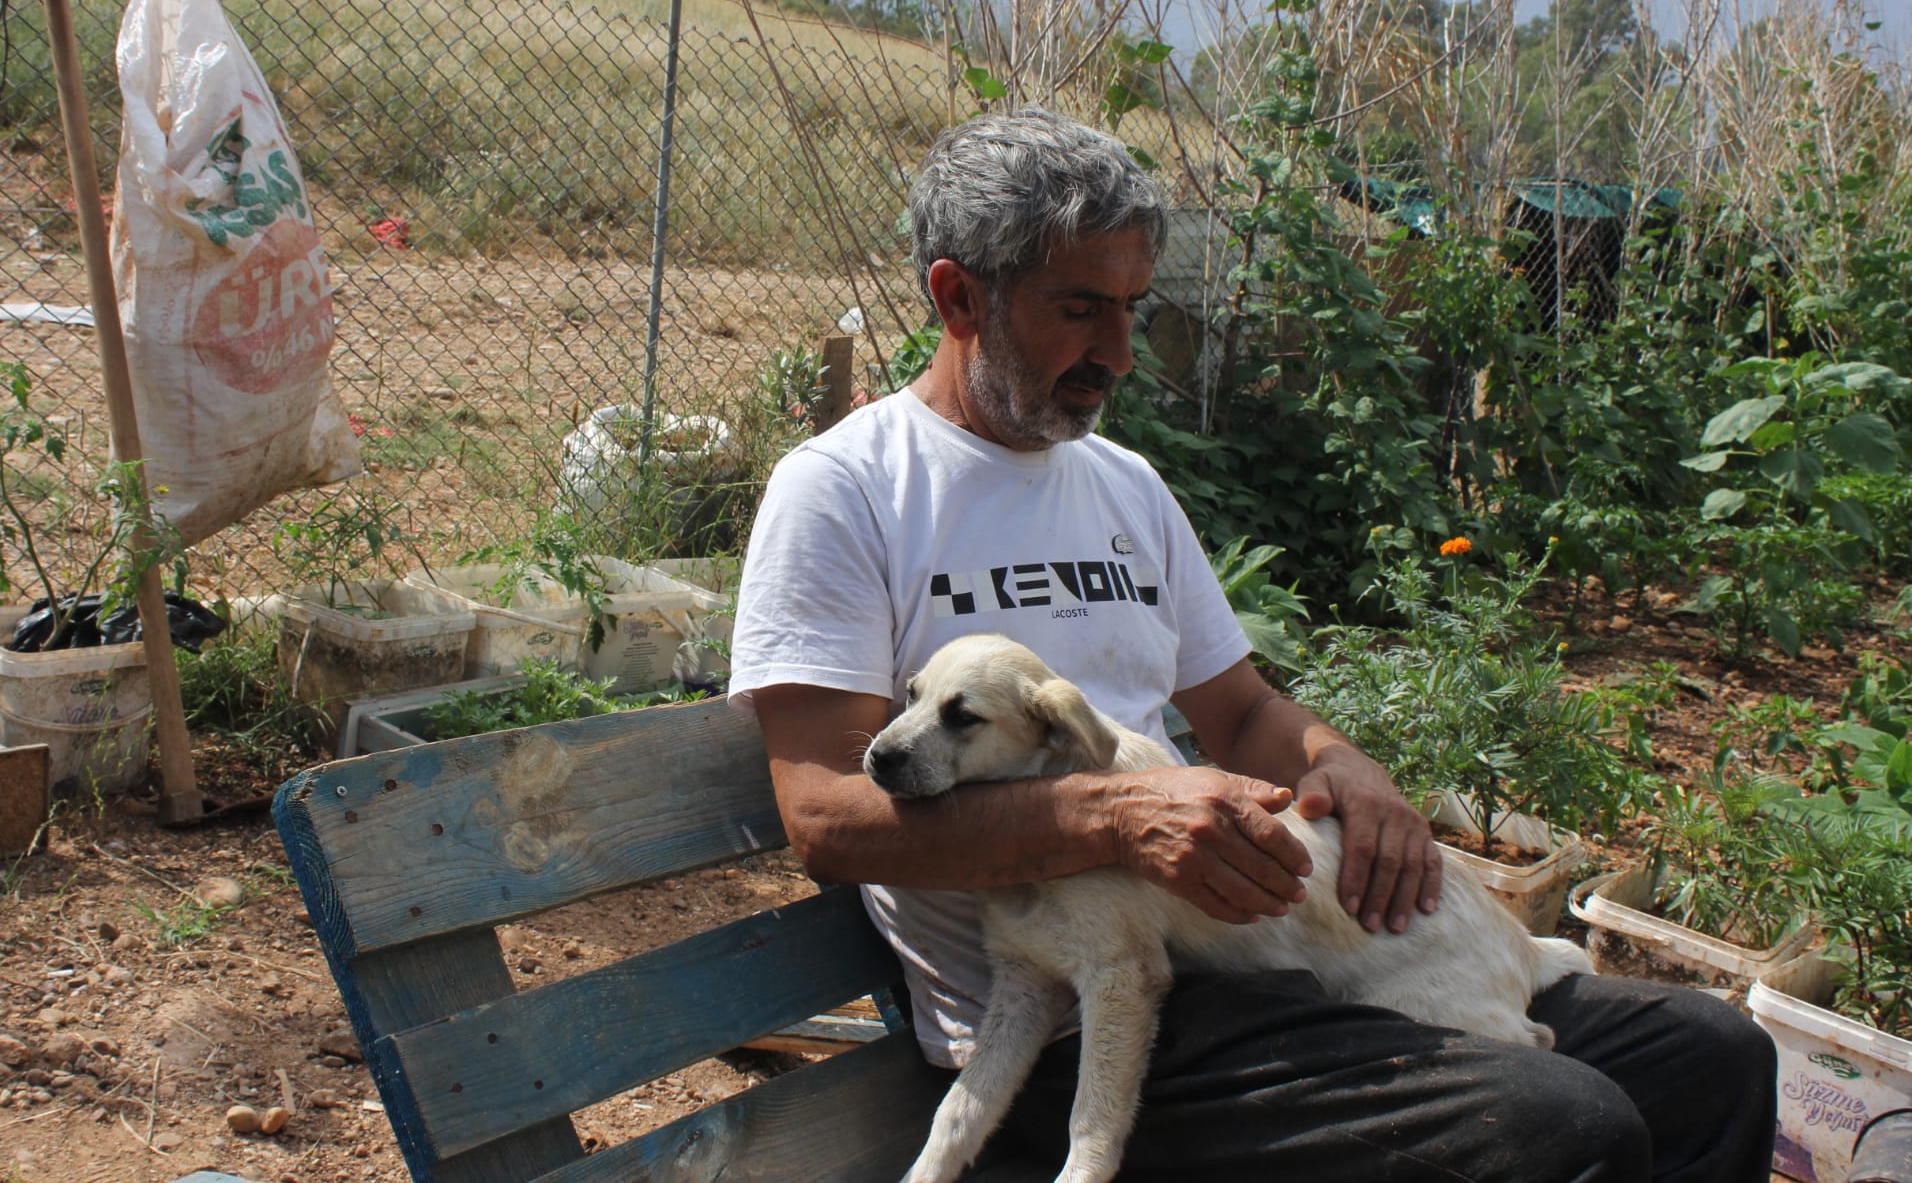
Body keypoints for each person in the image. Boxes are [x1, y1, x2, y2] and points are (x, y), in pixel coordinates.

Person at [726, 108, 1775, 1182]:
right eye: (1080, 309)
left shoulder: (1121, 485)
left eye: (1132, 308)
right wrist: (1116, 816)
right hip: (1080, 1025)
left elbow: (1240, 714)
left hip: (1260, 958)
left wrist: (1340, 765)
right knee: (1560, 1125)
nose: (1120, 353)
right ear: (958, 298)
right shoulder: (850, 490)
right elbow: (825, 815)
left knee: (1713, 1053)